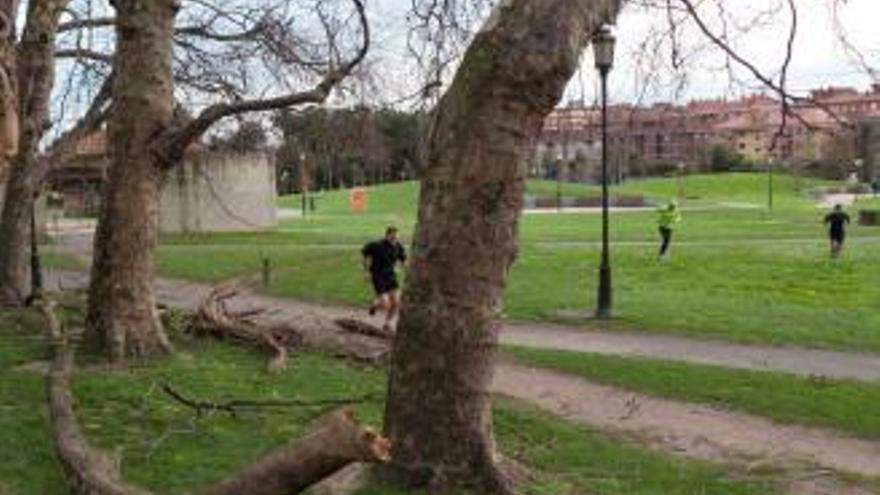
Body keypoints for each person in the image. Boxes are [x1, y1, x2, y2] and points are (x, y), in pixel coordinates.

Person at [362, 226, 407, 330]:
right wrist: (366, 272)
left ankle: (388, 323)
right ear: (387, 235)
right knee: (385, 303)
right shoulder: (376, 245)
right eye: (392, 236)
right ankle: (374, 305)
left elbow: (403, 260)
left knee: (396, 302)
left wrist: (407, 271)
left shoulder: (398, 246)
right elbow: (365, 254)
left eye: (396, 236)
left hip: (391, 276)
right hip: (378, 276)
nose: (394, 239)